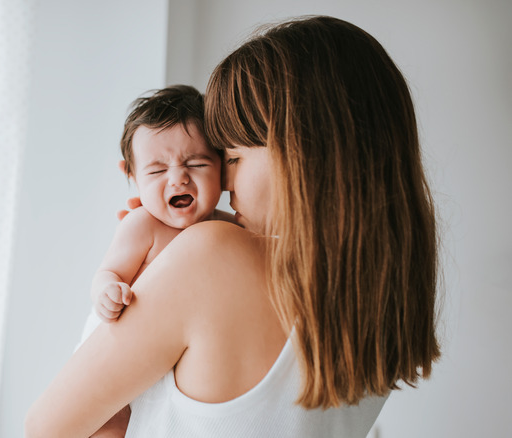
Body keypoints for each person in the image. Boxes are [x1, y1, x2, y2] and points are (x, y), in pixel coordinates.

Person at [26, 15, 440, 437]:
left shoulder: (213, 255)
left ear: (304, 155)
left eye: (235, 158)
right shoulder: (391, 294)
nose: (222, 183)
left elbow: (45, 428)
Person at [90, 85, 232, 326]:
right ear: (133, 178)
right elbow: (108, 272)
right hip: (133, 338)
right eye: (158, 170)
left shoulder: (230, 228)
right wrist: (107, 292)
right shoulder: (143, 225)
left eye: (197, 164)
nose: (178, 179)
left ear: (223, 166)